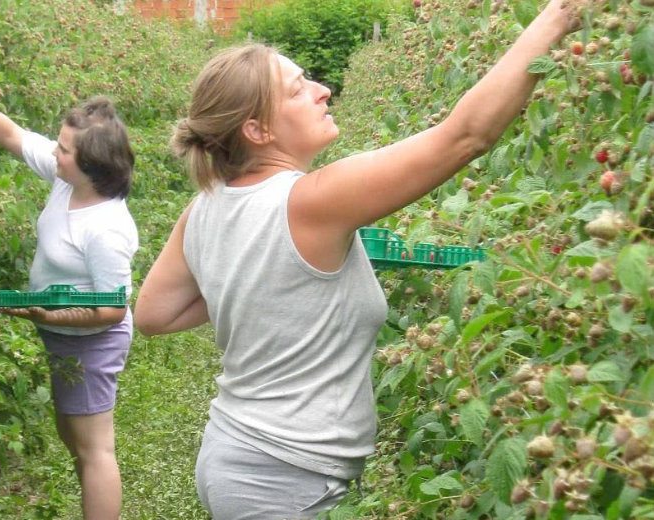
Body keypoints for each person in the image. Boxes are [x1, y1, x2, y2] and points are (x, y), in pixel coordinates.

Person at [134, 1, 581, 518]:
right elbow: (465, 136)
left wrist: (259, 285)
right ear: (257, 131)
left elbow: (154, 313)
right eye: (298, 89)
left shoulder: (204, 207)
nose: (322, 90)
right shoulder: (312, 201)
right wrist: (560, 15)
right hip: (282, 480)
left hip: (240, 457)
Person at [0, 90, 138, 520]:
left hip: (91, 344)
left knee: (95, 450)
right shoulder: (67, 181)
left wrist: (50, 313)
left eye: (64, 149)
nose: (55, 152)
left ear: (92, 165)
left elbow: (113, 308)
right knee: (73, 438)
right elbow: (11, 134)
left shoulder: (106, 228)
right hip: (62, 336)